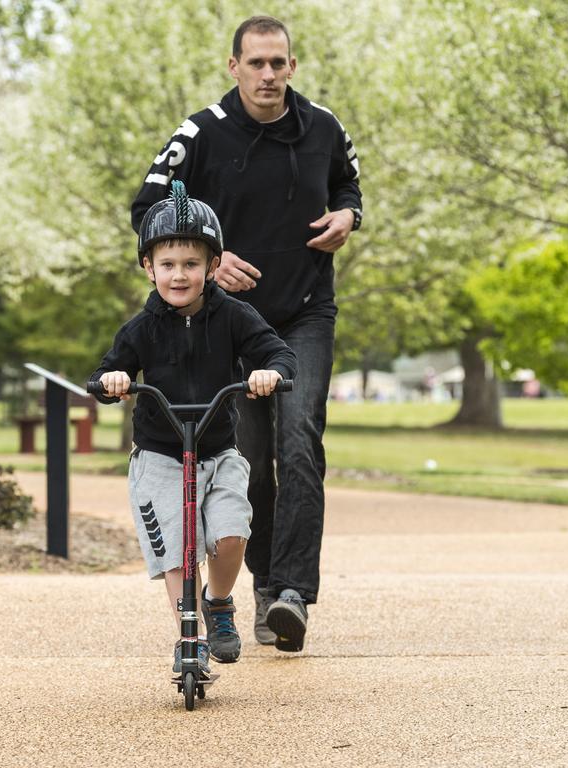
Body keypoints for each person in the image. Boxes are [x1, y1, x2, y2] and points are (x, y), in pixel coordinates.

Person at [130, 15, 363, 653]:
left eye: (279, 63)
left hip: (308, 311)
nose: (268, 75)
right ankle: (261, 589)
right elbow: (146, 207)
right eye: (256, 63)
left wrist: (349, 214)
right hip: (234, 324)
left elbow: (348, 183)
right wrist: (212, 255)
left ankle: (292, 593)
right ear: (234, 66)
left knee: (300, 440)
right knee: (251, 463)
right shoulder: (200, 133)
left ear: (292, 65)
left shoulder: (323, 126)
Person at [91, 181, 297, 669]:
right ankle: (192, 633)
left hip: (219, 451)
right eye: (167, 265)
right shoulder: (141, 328)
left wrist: (270, 373)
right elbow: (103, 373)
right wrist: (113, 380)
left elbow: (277, 352)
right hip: (160, 456)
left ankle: (220, 602)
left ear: (211, 266)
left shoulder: (234, 317)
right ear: (149, 268)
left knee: (230, 535)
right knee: (178, 557)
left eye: (191, 264)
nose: (179, 275)